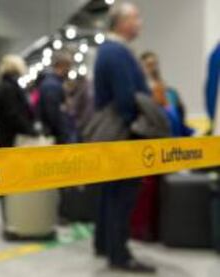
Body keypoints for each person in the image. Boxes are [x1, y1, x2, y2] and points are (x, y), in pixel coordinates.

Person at [93, 3, 156, 273]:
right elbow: (126, 99)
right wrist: (141, 127)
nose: (140, 22)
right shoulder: (118, 53)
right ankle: (120, 254)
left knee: (110, 192)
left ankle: (106, 244)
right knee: (122, 195)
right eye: (136, 18)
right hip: (124, 136)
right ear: (121, 23)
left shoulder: (107, 51)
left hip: (113, 136)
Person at [141, 51, 193, 137]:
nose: (154, 68)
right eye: (149, 65)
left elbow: (180, 117)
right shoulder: (141, 94)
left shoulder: (171, 93)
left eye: (155, 64)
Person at [0, 55, 36, 148]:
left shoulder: (6, 86)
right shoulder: (9, 88)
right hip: (10, 139)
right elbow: (13, 114)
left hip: (8, 137)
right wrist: (29, 130)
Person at [38, 51, 72, 144]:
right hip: (55, 138)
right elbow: (52, 114)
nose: (69, 69)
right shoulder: (51, 85)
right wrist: (63, 134)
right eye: (68, 66)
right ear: (62, 65)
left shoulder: (54, 83)